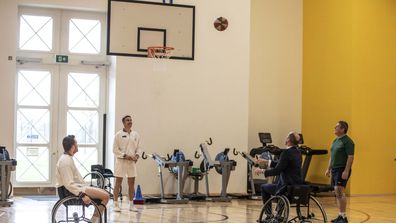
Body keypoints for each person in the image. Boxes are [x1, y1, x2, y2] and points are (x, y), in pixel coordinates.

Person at [56, 135, 109, 223]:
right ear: (73, 146)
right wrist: (82, 195)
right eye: (76, 143)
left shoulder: (67, 158)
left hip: (78, 188)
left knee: (105, 194)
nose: (78, 145)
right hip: (70, 192)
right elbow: (69, 184)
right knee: (106, 196)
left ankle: (93, 220)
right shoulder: (65, 161)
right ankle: (93, 220)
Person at [254, 132, 303, 204]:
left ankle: (268, 214)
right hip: (296, 185)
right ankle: (279, 212)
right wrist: (267, 162)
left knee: (264, 187)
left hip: (285, 187)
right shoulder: (298, 152)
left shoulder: (286, 152)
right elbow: (283, 165)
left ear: (288, 140)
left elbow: (277, 170)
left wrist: (262, 171)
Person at [325, 121, 354, 223]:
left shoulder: (348, 141)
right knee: (337, 192)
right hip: (335, 169)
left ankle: (343, 217)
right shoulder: (335, 141)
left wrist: (346, 171)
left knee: (340, 191)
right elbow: (332, 156)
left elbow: (350, 157)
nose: (334, 127)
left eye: (336, 126)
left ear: (342, 129)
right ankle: (340, 216)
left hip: (342, 169)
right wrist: (328, 168)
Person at [113, 115, 142, 212]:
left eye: (130, 120)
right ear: (123, 122)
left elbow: (139, 147)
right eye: (127, 120)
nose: (130, 121)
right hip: (121, 162)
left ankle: (131, 205)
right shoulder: (118, 134)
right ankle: (115, 204)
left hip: (131, 163)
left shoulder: (136, 134)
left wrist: (137, 155)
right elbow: (114, 150)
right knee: (118, 182)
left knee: (131, 183)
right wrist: (125, 156)